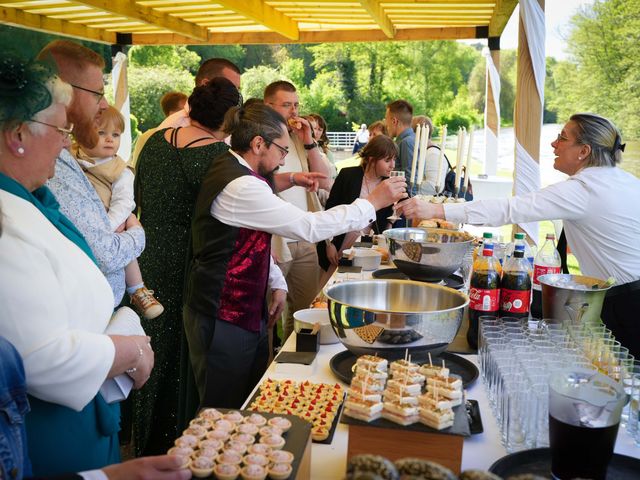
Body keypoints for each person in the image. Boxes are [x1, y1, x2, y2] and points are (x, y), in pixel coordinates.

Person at [183, 103, 406, 411]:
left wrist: (277, 283)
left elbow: (252, 238)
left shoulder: (240, 171)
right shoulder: (240, 185)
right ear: (258, 144)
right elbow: (307, 226)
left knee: (249, 400)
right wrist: (371, 203)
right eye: (282, 150)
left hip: (243, 310)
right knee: (222, 409)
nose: (283, 160)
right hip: (220, 314)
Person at [0, 55, 154, 476]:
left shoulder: (30, 198)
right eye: (59, 131)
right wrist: (130, 349)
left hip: (83, 417)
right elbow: (41, 357)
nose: (65, 142)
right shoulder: (6, 221)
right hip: (51, 433)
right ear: (17, 135)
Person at [397, 113, 640, 358]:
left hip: (628, 303)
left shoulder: (584, 189)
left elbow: (510, 209)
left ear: (583, 151)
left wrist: (435, 209)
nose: (553, 144)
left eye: (562, 138)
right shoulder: (626, 181)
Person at [132, 76, 240, 456]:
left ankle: (145, 440)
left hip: (146, 255)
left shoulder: (152, 143)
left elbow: (138, 197)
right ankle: (177, 445)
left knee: (152, 349)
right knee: (182, 355)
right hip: (189, 260)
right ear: (228, 118)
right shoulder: (218, 157)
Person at [38, 40, 145, 309]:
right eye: (97, 93)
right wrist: (137, 234)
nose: (105, 104)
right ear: (63, 90)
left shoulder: (61, 153)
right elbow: (104, 253)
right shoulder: (50, 158)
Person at [0, 334, 189, 480]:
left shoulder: (5, 355)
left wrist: (108, 476)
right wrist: (131, 351)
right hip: (55, 416)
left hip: (92, 397)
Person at [74, 105, 163, 320]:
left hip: (109, 222)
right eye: (101, 133)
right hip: (81, 223)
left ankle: (138, 289)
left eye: (115, 135)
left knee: (126, 248)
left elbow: (124, 203)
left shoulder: (120, 171)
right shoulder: (71, 158)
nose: (109, 140)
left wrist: (108, 226)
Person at [263, 81, 332, 342]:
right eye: (286, 105)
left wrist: (310, 141)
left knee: (305, 314)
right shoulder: (259, 139)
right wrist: (293, 177)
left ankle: (297, 367)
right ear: (268, 106)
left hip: (304, 237)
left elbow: (324, 180)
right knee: (269, 315)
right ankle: (268, 373)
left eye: (296, 105)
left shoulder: (298, 138)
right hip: (274, 240)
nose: (294, 111)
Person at [131, 58, 241, 167]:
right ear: (206, 85)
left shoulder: (231, 122)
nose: (235, 95)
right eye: (231, 87)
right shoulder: (172, 127)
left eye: (237, 89)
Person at [317, 135, 397, 285]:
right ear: (372, 159)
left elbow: (398, 215)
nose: (393, 165)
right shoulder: (348, 175)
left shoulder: (390, 184)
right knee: (330, 285)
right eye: (387, 160)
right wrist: (329, 244)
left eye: (394, 159)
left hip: (370, 250)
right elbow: (330, 211)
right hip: (341, 241)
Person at [385, 100, 415, 179]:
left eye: (386, 119)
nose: (386, 124)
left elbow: (409, 178)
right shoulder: (409, 139)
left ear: (394, 121)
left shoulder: (406, 142)